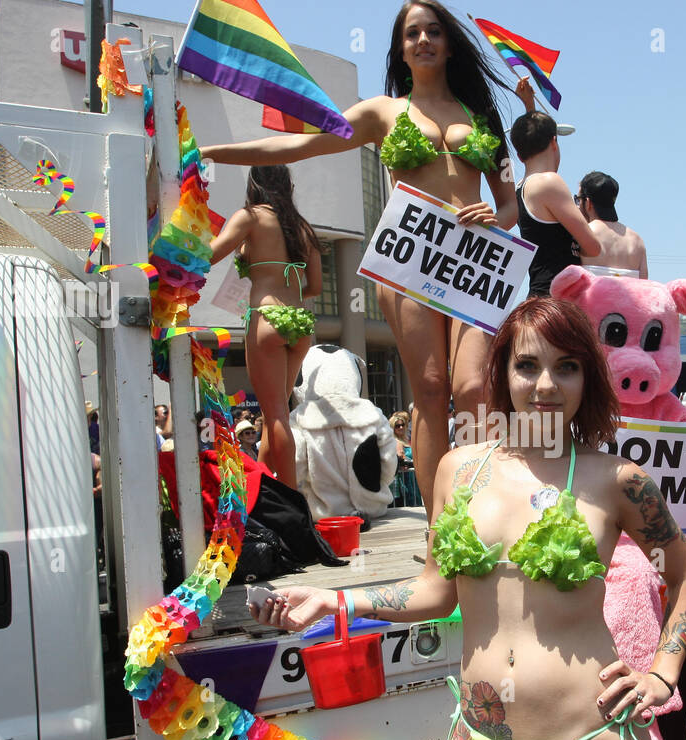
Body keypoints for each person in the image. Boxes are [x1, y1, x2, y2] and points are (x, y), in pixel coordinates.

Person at [253, 297, 686, 740]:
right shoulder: (458, 469)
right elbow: (434, 591)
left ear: (587, 377)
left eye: (567, 366)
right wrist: (332, 600)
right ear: (501, 373)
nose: (546, 384)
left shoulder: (616, 480)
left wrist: (663, 674)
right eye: (527, 365)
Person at [202, 1, 516, 522]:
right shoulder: (381, 112)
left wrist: (499, 215)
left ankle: (481, 510)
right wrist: (217, 152)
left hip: (473, 263)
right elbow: (303, 145)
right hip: (410, 262)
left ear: (449, 42)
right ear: (400, 48)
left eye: (433, 31)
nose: (423, 40)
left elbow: (510, 200)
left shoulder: (481, 114)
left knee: (474, 387)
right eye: (412, 33)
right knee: (432, 389)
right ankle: (442, 530)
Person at [210, 166, 322, 486]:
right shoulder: (301, 227)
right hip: (299, 322)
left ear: (254, 183)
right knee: (278, 415)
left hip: (266, 315)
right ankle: (263, 481)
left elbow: (209, 256)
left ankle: (289, 499)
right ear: (288, 184)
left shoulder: (250, 217)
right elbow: (314, 286)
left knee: (275, 416)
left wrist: (175, 247)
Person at [510, 86, 601, 296]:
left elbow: (531, 133)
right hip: (560, 302)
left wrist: (529, 106)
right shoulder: (550, 183)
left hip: (539, 296)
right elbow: (593, 247)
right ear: (554, 142)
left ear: (520, 155)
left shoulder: (520, 188)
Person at [576, 171, 648, 279]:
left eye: (577, 200)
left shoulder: (583, 233)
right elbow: (644, 287)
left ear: (588, 202)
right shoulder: (637, 241)